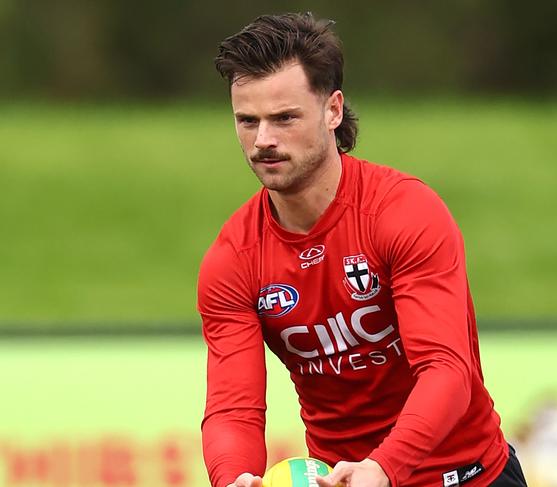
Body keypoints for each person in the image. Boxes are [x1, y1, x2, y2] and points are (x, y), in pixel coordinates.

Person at [198, 12, 527, 487]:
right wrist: (233, 477)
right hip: (345, 480)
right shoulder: (233, 258)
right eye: (247, 121)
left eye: (284, 118)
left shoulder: (404, 212)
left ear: (333, 110)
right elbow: (234, 408)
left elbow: (446, 371)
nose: (263, 140)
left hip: (467, 476)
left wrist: (384, 467)